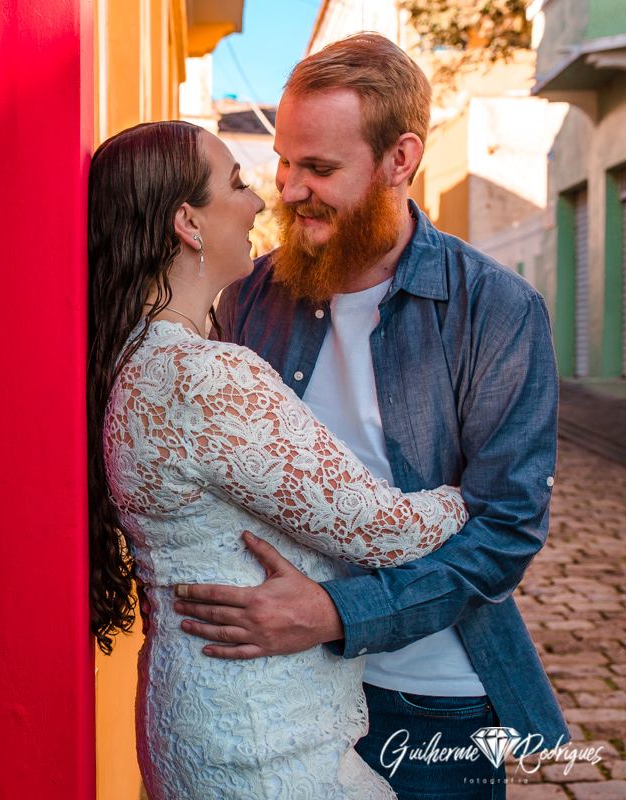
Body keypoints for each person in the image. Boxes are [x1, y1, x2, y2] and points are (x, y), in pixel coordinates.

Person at [175, 33, 568, 799]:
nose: (288, 190)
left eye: (319, 168)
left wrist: (334, 613)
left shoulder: (496, 309)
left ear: (401, 158)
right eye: (284, 162)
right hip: (276, 689)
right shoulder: (246, 298)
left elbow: (506, 526)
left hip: (433, 703)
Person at [88, 119, 471, 799]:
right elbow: (382, 530)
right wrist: (474, 492)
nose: (261, 200)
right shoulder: (205, 375)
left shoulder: (134, 357)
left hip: (203, 714)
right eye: (237, 183)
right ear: (187, 222)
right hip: (264, 741)